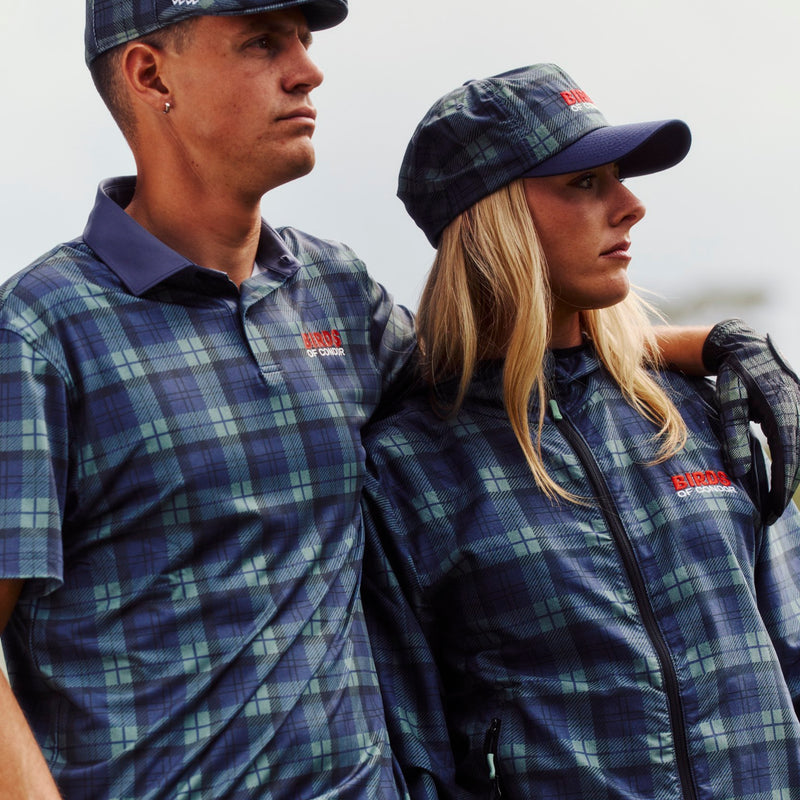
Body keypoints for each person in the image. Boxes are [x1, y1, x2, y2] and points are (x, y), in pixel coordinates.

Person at [0, 6, 796, 798]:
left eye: (304, 42)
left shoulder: (333, 293)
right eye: (261, 43)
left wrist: (712, 345)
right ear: (149, 74)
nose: (307, 69)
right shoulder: (40, 331)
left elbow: (508, 351)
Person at [361, 64, 800, 800]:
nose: (631, 207)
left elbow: (791, 652)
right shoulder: (408, 467)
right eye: (586, 184)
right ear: (493, 218)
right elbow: (415, 758)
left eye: (618, 179)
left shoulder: (691, 408)